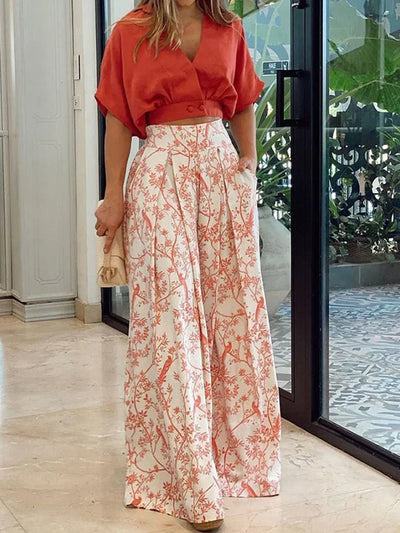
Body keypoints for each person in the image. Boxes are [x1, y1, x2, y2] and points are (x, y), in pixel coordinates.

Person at [94, 0, 281, 531]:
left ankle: (235, 457)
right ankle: (191, 479)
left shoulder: (229, 26)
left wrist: (248, 161)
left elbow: (243, 100)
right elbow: (118, 119)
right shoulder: (130, 30)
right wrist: (113, 197)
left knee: (232, 315)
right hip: (159, 173)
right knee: (171, 317)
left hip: (220, 173)